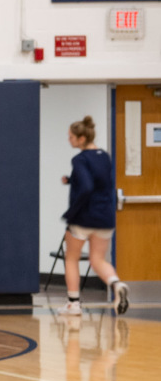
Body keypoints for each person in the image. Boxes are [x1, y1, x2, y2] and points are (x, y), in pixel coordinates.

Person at [60, 115, 125, 315]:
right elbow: (99, 181)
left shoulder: (79, 158)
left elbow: (87, 187)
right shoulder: (104, 156)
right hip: (105, 216)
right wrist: (71, 180)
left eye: (71, 137)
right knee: (97, 260)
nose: (68, 139)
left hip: (84, 216)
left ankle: (74, 304)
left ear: (81, 139)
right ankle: (116, 284)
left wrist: (71, 213)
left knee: (71, 258)